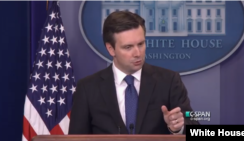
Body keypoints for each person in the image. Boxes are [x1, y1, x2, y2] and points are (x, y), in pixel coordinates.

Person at [68, 11, 199, 135]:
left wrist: (178, 127)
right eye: (128, 47)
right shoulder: (88, 88)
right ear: (111, 49)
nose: (137, 53)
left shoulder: (169, 81)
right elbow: (77, 137)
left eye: (141, 44)